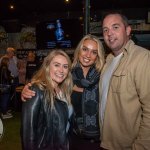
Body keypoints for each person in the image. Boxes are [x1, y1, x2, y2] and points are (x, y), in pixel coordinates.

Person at [21, 34, 105, 150]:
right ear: (79, 50)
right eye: (85, 49)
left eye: (94, 52)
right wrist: (28, 89)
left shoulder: (103, 76)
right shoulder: (68, 74)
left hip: (96, 138)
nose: (88, 55)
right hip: (71, 138)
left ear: (98, 56)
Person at [99, 11, 150, 150]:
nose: (109, 33)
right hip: (106, 142)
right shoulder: (107, 61)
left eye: (115, 27)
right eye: (105, 30)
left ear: (128, 30)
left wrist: (141, 147)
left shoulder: (142, 58)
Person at [21, 50, 73, 150]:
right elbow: (28, 133)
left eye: (65, 66)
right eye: (57, 65)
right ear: (47, 66)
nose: (61, 70)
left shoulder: (64, 90)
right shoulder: (36, 90)